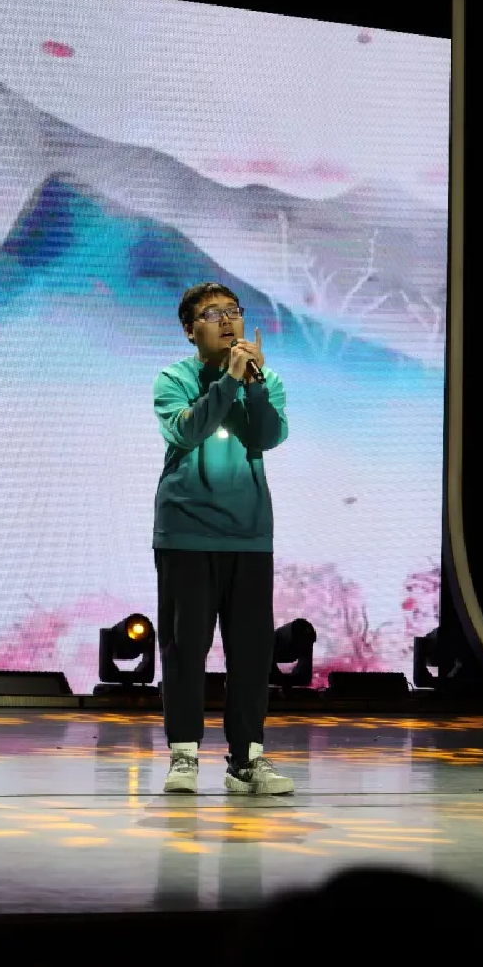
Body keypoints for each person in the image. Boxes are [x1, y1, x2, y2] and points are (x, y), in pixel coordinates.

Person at [152, 281, 293, 794]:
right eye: (213, 314)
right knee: (185, 648)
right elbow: (186, 431)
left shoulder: (265, 378)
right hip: (186, 532)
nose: (228, 320)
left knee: (252, 652)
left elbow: (269, 436)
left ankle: (246, 761)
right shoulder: (174, 378)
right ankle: (184, 755)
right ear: (190, 331)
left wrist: (252, 385)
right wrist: (229, 380)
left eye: (233, 311)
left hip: (249, 534)